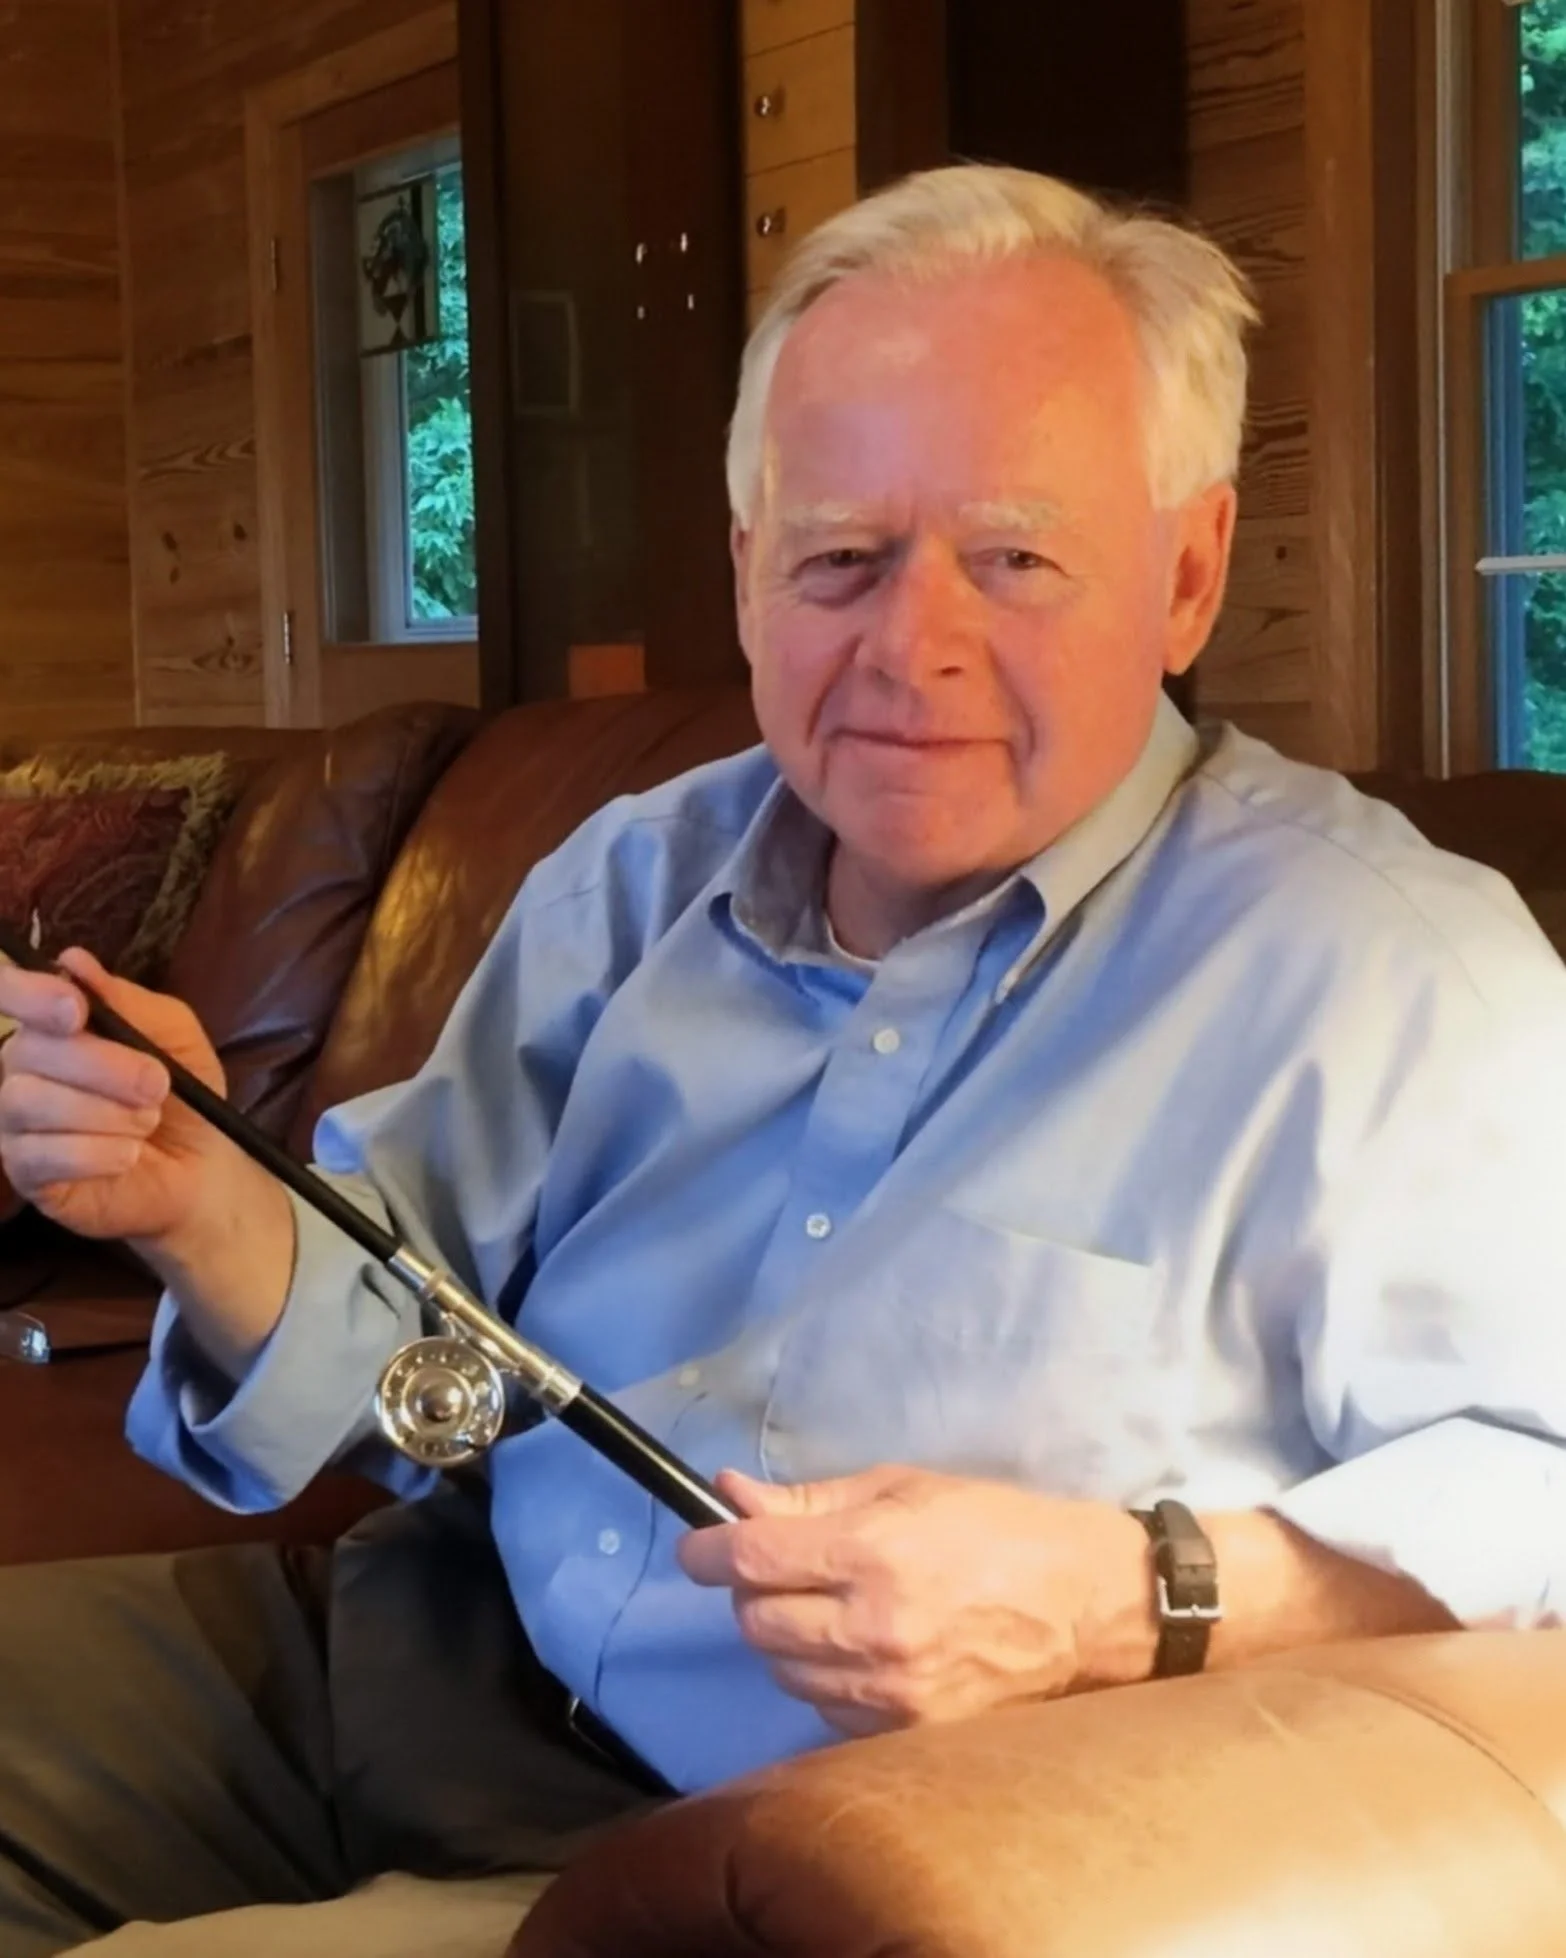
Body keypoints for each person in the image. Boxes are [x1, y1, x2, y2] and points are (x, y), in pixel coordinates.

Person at [3, 161, 1566, 1956]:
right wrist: (201, 1198)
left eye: (1015, 556)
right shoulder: (632, 877)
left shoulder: (1389, 978)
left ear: (1188, 573)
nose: (912, 647)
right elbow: (405, 1332)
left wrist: (1123, 1592)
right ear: (747, 572)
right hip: (407, 1646)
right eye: (839, 557)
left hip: (793, 1863)